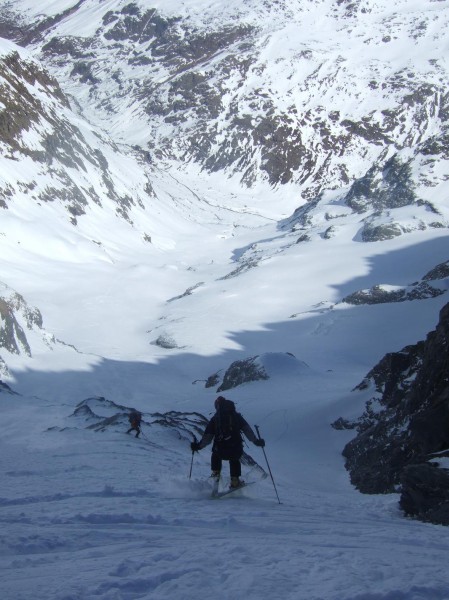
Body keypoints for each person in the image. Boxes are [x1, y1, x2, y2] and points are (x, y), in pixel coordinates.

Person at [190, 396, 265, 488]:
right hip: (236, 448)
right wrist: (256, 441)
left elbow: (208, 437)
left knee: (215, 454)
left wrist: (198, 446)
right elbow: (247, 430)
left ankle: (215, 474)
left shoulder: (215, 419)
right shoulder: (236, 416)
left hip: (220, 450)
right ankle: (235, 481)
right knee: (234, 459)